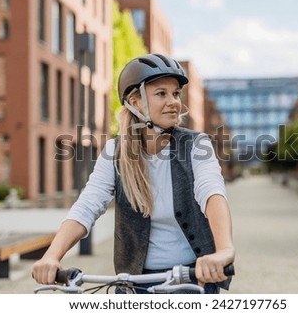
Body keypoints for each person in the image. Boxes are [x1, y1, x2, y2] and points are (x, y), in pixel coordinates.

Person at [32, 53, 235, 293]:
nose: (174, 102)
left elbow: (211, 193)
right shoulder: (115, 152)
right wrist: (52, 256)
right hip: (133, 283)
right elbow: (88, 205)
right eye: (162, 94)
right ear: (136, 102)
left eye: (176, 93)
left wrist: (224, 251)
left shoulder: (196, 145)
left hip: (191, 278)